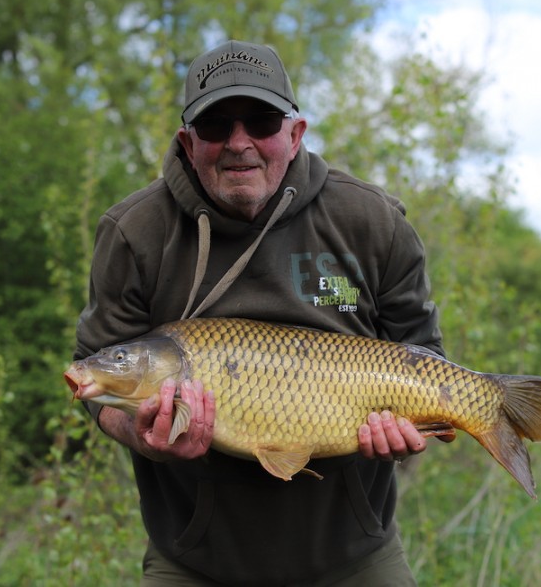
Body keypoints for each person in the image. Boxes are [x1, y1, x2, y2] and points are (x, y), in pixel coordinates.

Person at [73, 40, 452, 586]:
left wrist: (409, 430)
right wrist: (141, 433)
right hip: (196, 561)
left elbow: (425, 356)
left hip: (352, 554)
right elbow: (95, 371)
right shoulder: (135, 233)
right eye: (215, 126)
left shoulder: (371, 221)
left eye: (261, 120)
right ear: (187, 141)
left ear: (294, 134)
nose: (239, 143)